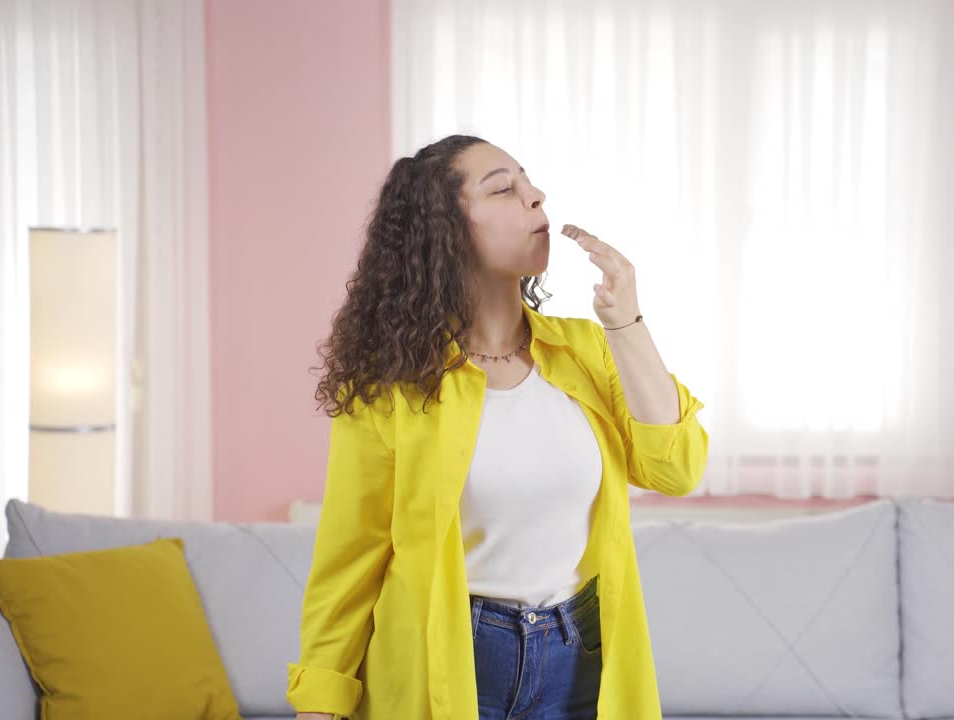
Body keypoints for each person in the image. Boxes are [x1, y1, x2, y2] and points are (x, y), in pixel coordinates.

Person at [287, 134, 709, 719]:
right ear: (445, 229)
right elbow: (350, 557)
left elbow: (677, 468)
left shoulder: (589, 349)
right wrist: (320, 700)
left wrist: (626, 322)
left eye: (528, 182)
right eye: (504, 188)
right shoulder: (392, 384)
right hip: (448, 655)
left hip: (579, 652)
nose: (536, 197)